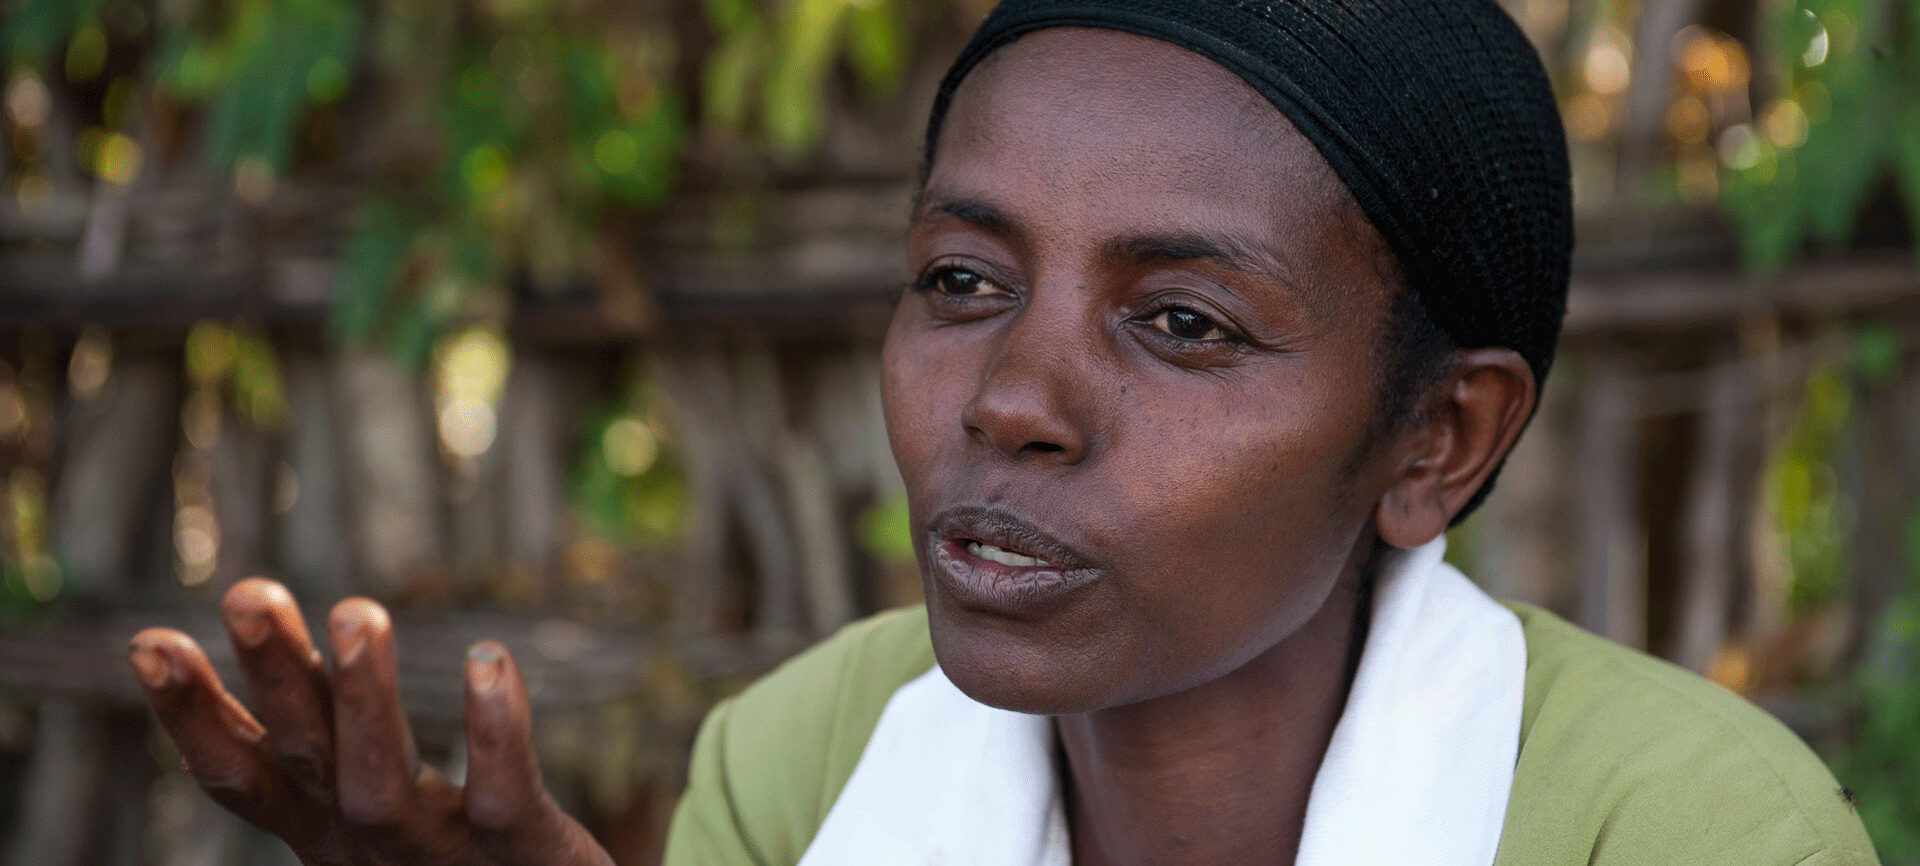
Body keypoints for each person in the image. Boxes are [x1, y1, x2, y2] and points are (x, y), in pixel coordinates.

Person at [126, 0, 1880, 864]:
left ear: (1439, 438)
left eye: (1182, 320)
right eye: (963, 281)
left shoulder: (1673, 826)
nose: (1010, 400)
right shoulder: (800, 763)